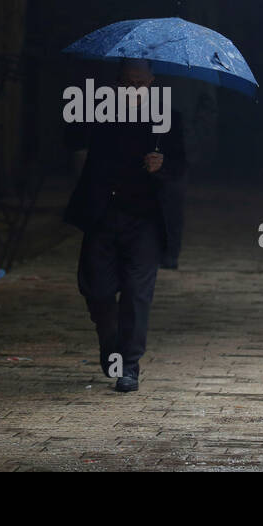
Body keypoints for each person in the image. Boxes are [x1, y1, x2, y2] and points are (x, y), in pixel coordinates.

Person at [64, 59, 186, 393]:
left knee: (136, 293)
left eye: (139, 82)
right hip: (102, 215)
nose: (133, 88)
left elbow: (180, 166)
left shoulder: (166, 118)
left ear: (151, 81)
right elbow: (70, 138)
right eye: (126, 82)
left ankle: (128, 365)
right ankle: (111, 345)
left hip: (145, 219)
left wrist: (161, 165)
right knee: (97, 291)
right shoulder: (100, 110)